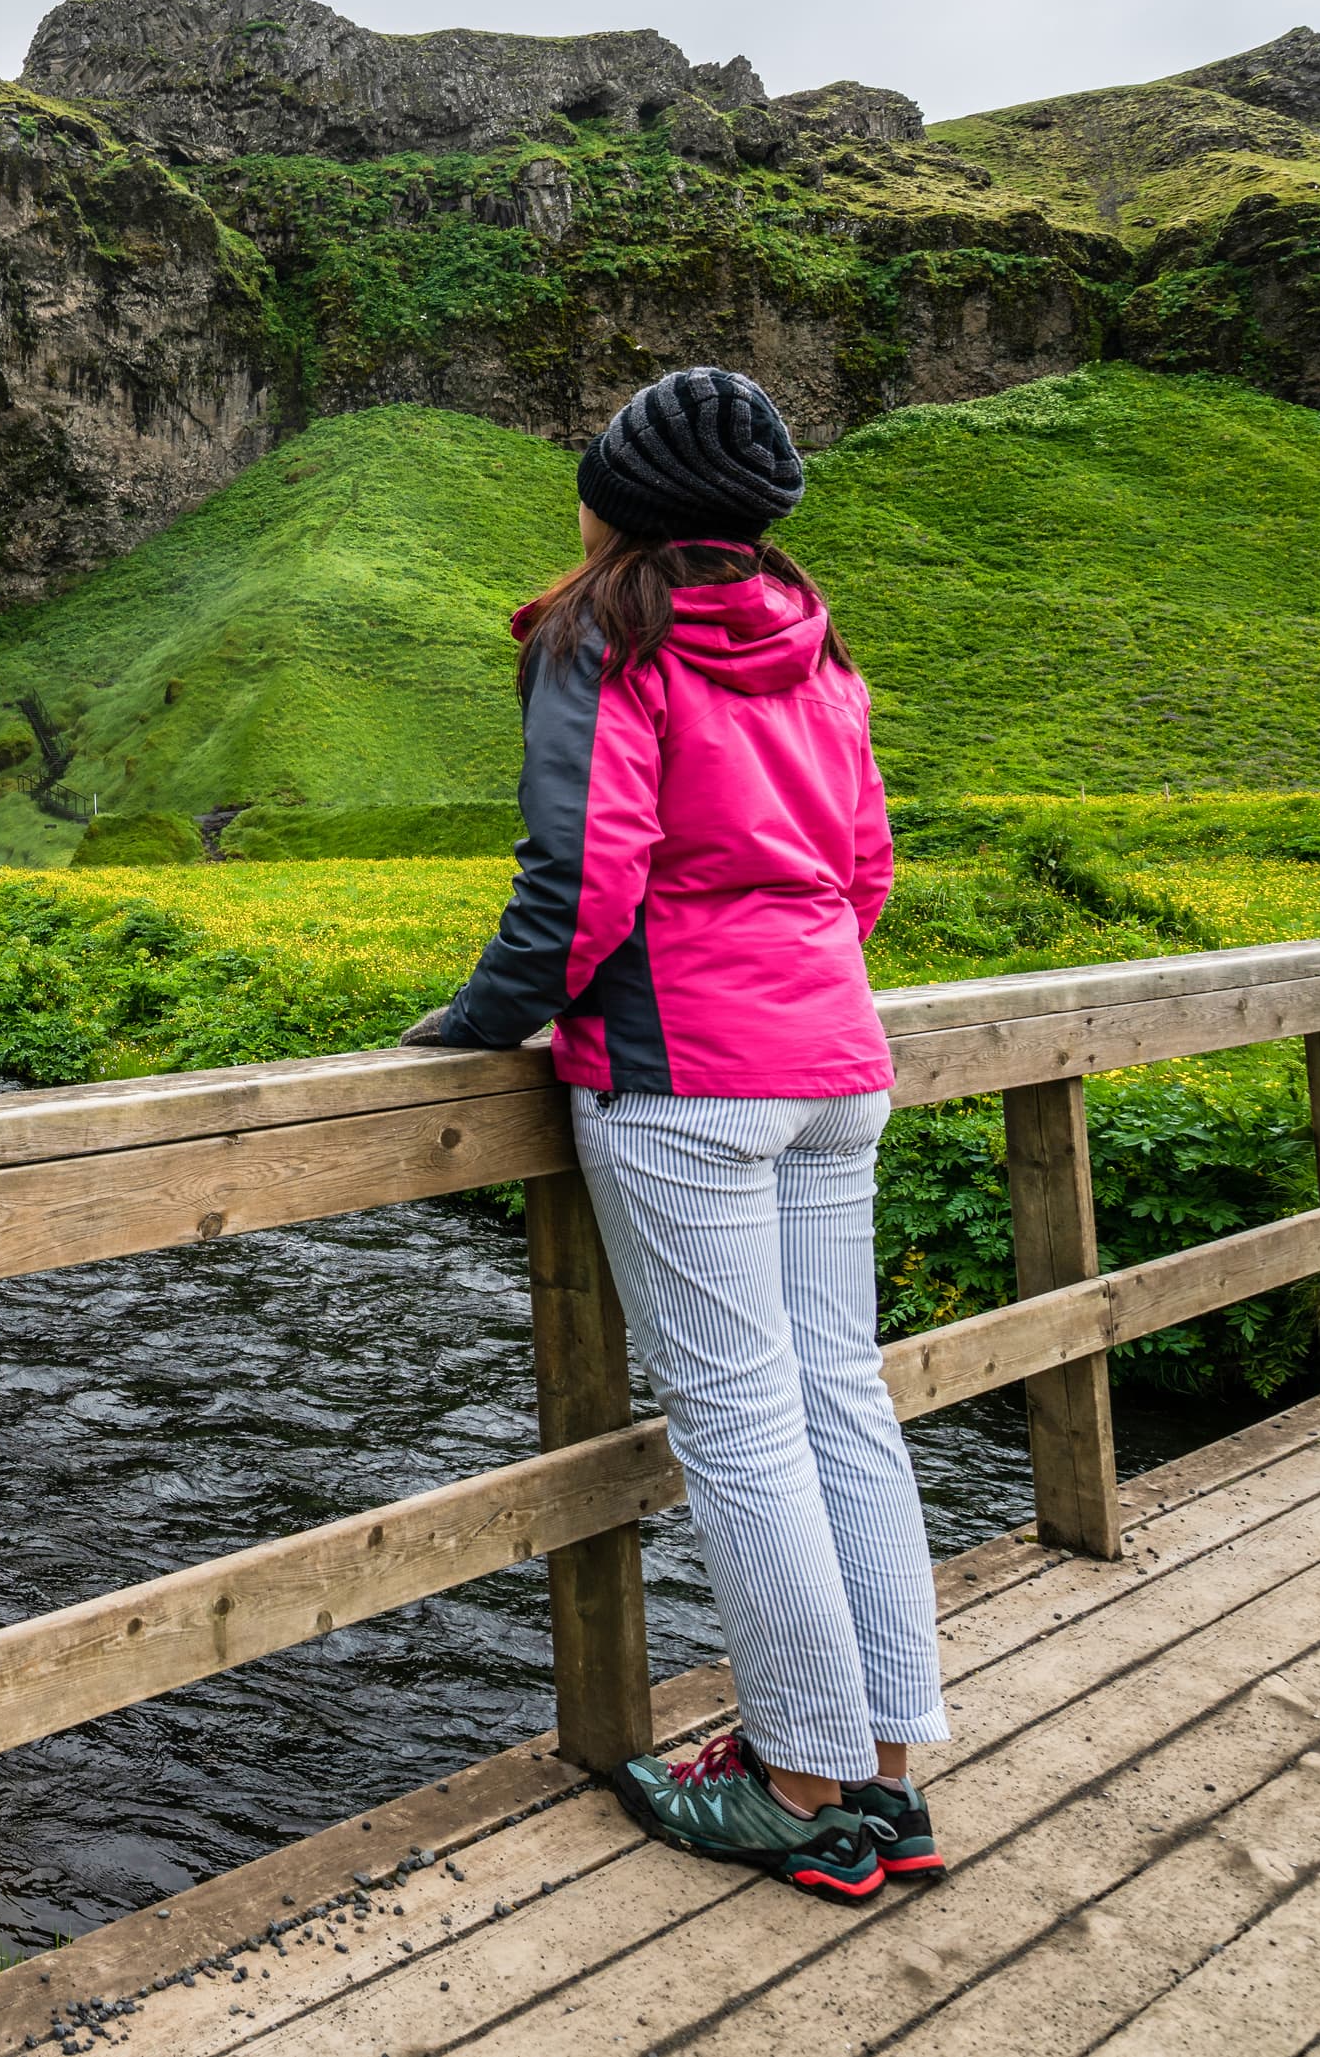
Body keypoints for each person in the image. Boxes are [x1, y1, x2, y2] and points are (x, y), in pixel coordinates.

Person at [403, 365, 945, 1903]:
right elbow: (864, 871)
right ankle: (888, 1781)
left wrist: (476, 1019)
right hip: (836, 1060)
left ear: (622, 505)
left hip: (685, 1073)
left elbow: (583, 879)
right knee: (842, 1397)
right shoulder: (813, 638)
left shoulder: (603, 636)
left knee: (739, 1419)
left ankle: (793, 1783)